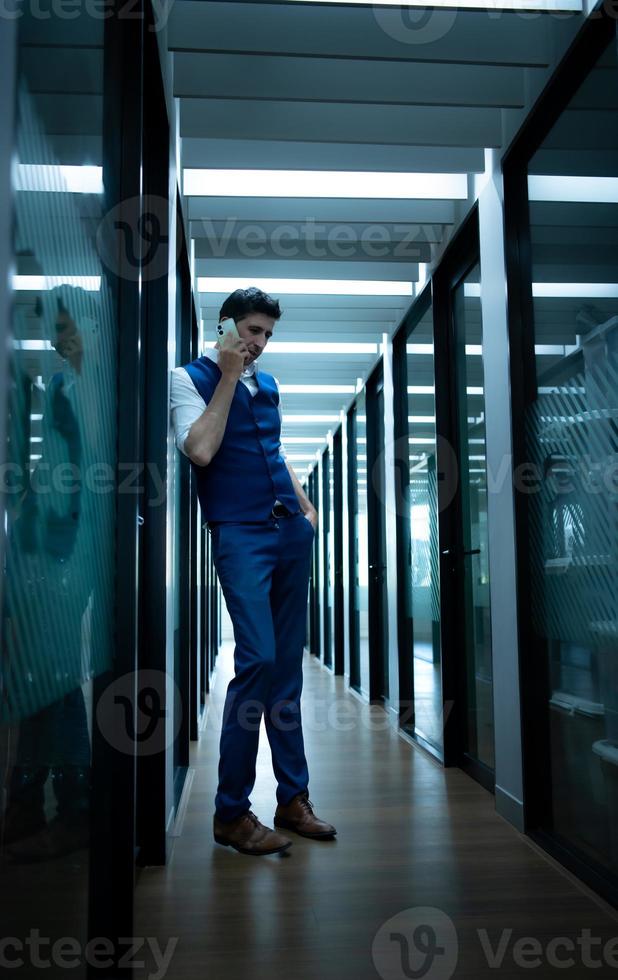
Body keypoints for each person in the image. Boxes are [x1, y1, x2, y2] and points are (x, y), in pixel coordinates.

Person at [170, 286, 336, 856]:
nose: (259, 344)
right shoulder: (186, 378)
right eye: (251, 331)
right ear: (224, 328)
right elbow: (200, 450)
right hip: (239, 534)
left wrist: (307, 508)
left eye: (267, 334)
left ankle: (293, 799)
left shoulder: (269, 387)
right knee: (257, 661)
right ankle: (231, 813)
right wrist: (226, 376)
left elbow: (274, 450)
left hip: (290, 533)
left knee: (285, 669)